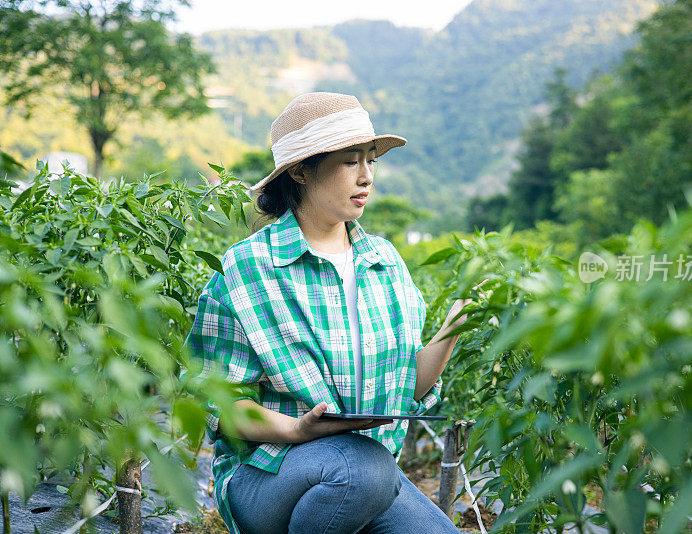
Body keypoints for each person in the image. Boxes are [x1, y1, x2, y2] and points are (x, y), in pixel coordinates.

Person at [184, 92, 478, 534]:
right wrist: (297, 430)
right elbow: (216, 402)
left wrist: (456, 324)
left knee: (377, 480)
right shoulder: (248, 269)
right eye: (349, 162)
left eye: (370, 161)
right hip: (268, 475)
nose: (366, 177)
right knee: (361, 471)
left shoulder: (383, 261)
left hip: (367, 472)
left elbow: (408, 385)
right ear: (301, 171)